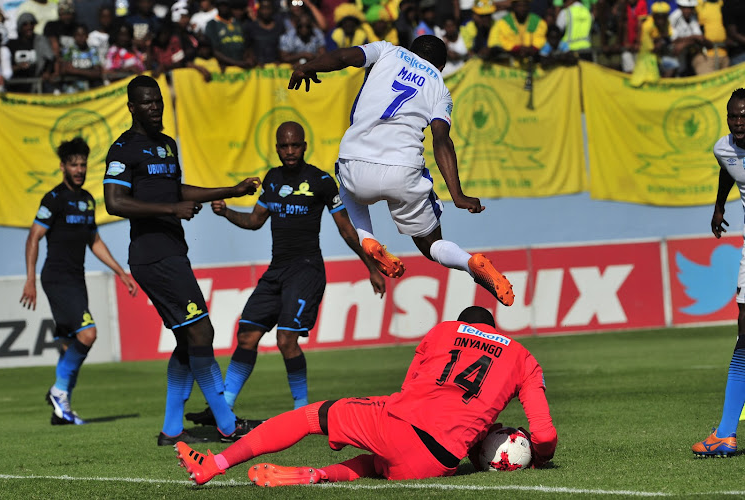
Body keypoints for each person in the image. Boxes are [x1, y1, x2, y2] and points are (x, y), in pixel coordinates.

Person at [175, 306, 557, 486]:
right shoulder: (522, 356)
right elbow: (544, 435)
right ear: (495, 329)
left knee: (311, 417)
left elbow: (409, 391)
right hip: (437, 462)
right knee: (378, 465)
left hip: (401, 423)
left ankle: (216, 464)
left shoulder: (442, 331)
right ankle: (316, 476)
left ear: (463, 324)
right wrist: (539, 460)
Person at [287, 36, 515, 307]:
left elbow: (343, 57)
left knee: (345, 185)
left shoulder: (387, 51)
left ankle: (368, 239)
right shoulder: (440, 87)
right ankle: (469, 263)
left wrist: (309, 66)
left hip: (356, 162)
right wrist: (458, 195)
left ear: (411, 50)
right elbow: (441, 140)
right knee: (431, 244)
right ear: (440, 66)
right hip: (403, 170)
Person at [184, 121, 385, 427]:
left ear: (304, 146)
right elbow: (254, 221)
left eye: (295, 145)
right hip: (277, 271)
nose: (290, 151)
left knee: (285, 340)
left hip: (306, 271)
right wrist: (226, 212)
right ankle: (222, 409)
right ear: (277, 148)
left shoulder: (320, 181)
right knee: (247, 335)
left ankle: (301, 412)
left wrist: (371, 267)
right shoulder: (272, 179)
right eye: (284, 146)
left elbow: (346, 230)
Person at [103, 75, 261, 445]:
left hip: (173, 252)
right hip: (152, 256)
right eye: (145, 102)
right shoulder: (123, 149)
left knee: (186, 339)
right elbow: (115, 202)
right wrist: (170, 208)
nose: (154, 107)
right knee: (202, 332)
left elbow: (178, 189)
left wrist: (231, 189)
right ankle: (226, 424)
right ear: (131, 107)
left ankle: (172, 429)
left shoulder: (167, 146)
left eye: (157, 100)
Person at [19, 136, 138, 426]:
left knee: (68, 344)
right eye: (74, 164)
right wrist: (30, 280)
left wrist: (120, 272)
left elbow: (94, 240)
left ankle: (62, 410)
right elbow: (34, 237)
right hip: (57, 278)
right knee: (88, 334)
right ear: (63, 167)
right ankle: (59, 392)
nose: (79, 169)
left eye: (83, 164)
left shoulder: (86, 200)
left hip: (76, 279)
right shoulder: (54, 199)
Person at [691, 88, 745, 457]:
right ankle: (725, 433)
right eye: (733, 116)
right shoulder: (723, 148)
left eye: (744, 115)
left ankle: (725, 431)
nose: (738, 122)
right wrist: (718, 206)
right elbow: (729, 168)